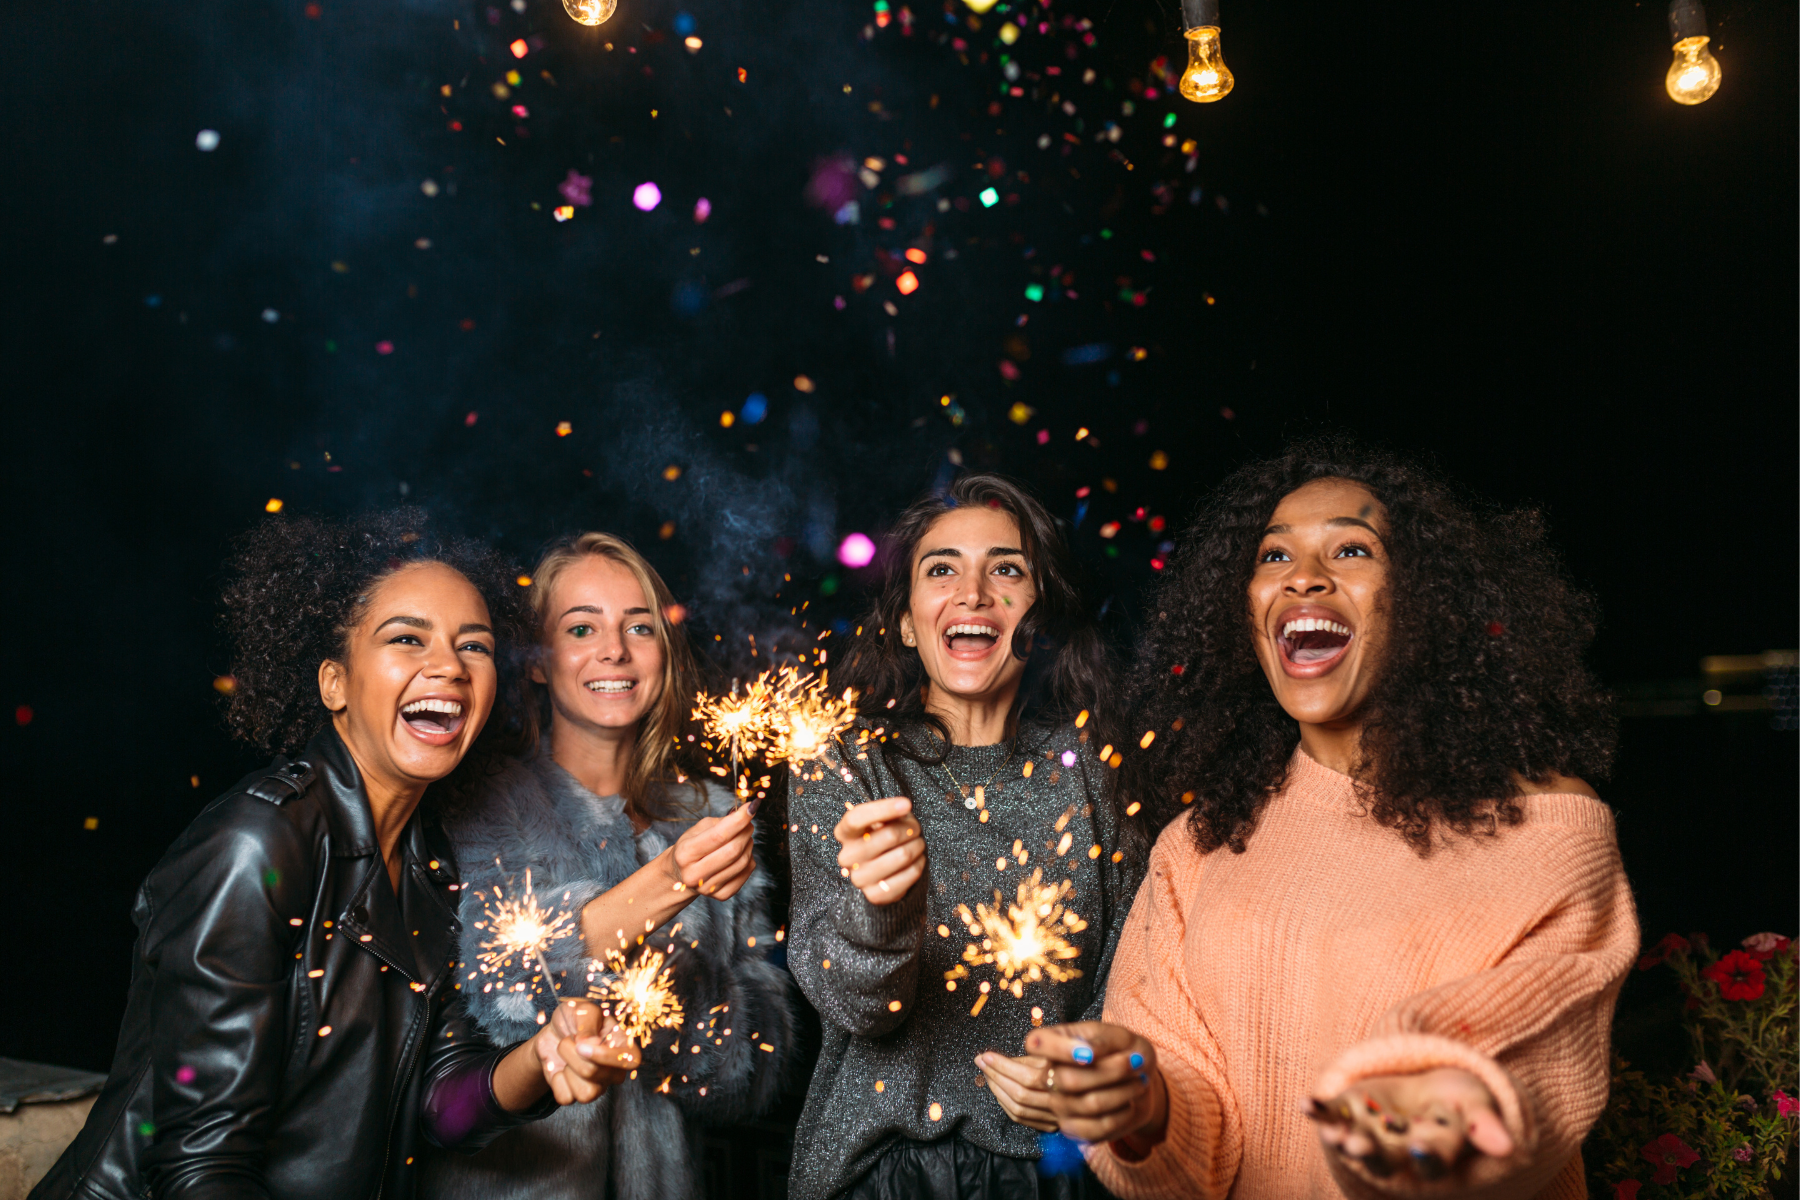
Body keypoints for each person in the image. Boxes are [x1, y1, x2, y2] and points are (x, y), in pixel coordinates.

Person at [1024, 440, 1638, 1199]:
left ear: (1427, 599)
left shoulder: (1545, 824)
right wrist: (1142, 1104)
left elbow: (1538, 1082)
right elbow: (1187, 1128)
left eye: (1351, 549)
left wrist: (1432, 1118)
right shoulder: (1198, 845)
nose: (1304, 577)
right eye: (1273, 557)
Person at [32, 510, 637, 1200]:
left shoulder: (433, 861)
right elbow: (202, 1168)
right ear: (334, 685)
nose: (449, 667)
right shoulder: (256, 847)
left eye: (474, 647)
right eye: (407, 639)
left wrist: (539, 1060)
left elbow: (439, 1108)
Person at [786, 473, 1145, 1200]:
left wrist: (1081, 1071)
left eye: (1006, 568)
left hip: (1056, 1172)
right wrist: (883, 909)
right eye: (941, 568)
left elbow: (1135, 985)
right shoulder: (848, 767)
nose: (973, 593)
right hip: (880, 1172)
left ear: (1038, 615)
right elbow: (862, 1008)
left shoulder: (1096, 774)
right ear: (909, 619)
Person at [419, 532, 795, 1200]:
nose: (614, 651)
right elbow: (497, 987)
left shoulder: (711, 811)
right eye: (582, 627)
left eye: (639, 627)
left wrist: (667, 992)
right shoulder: (481, 798)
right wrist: (670, 884)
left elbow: (754, 1078)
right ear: (537, 660)